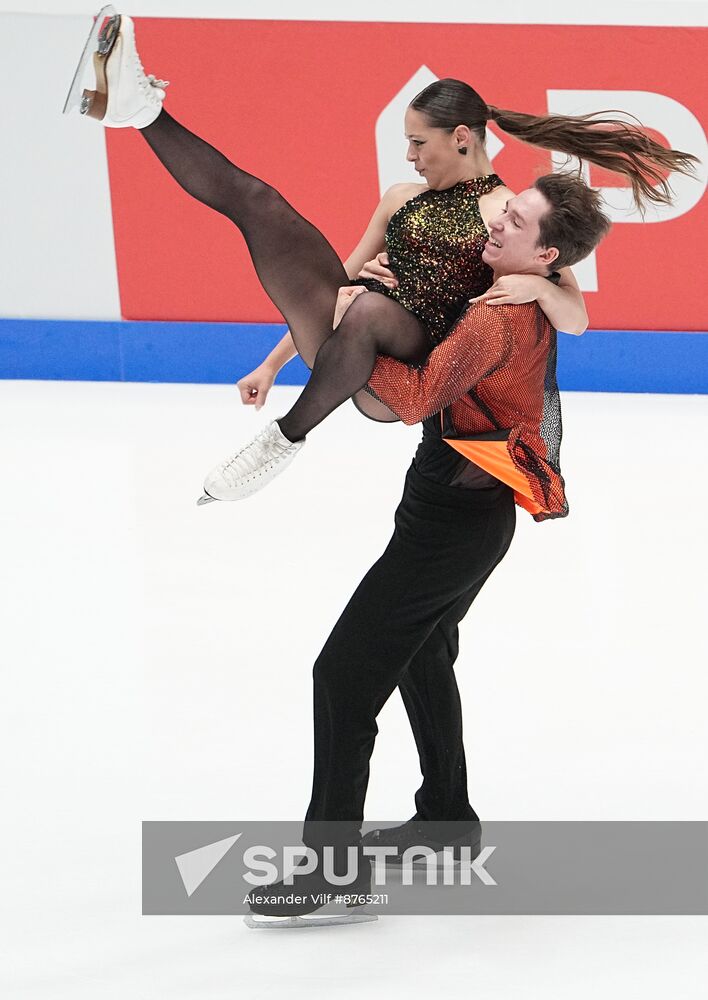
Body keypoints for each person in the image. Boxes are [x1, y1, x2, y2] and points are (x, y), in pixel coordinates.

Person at [66, 11, 698, 926]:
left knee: (344, 673)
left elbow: (427, 386)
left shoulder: (506, 289)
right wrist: (290, 354)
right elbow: (387, 289)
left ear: (472, 147)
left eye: (427, 146)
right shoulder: (453, 230)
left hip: (448, 481)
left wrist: (538, 293)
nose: (416, 161)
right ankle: (446, 818)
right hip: (442, 489)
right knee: (421, 652)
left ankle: (333, 870)